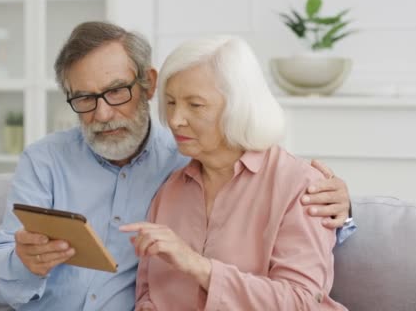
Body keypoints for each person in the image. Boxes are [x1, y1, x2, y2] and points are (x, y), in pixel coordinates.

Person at [0, 21, 354, 310]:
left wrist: (344, 211)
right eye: (84, 98)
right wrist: (23, 262)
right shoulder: (48, 161)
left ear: (147, 84)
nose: (103, 113)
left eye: (115, 91)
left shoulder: (187, 158)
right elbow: (150, 294)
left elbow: (304, 286)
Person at [120, 35, 346, 310]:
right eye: (170, 103)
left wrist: (197, 265)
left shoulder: (301, 185)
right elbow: (148, 294)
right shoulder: (170, 190)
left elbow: (301, 302)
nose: (175, 120)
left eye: (195, 105)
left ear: (238, 107)